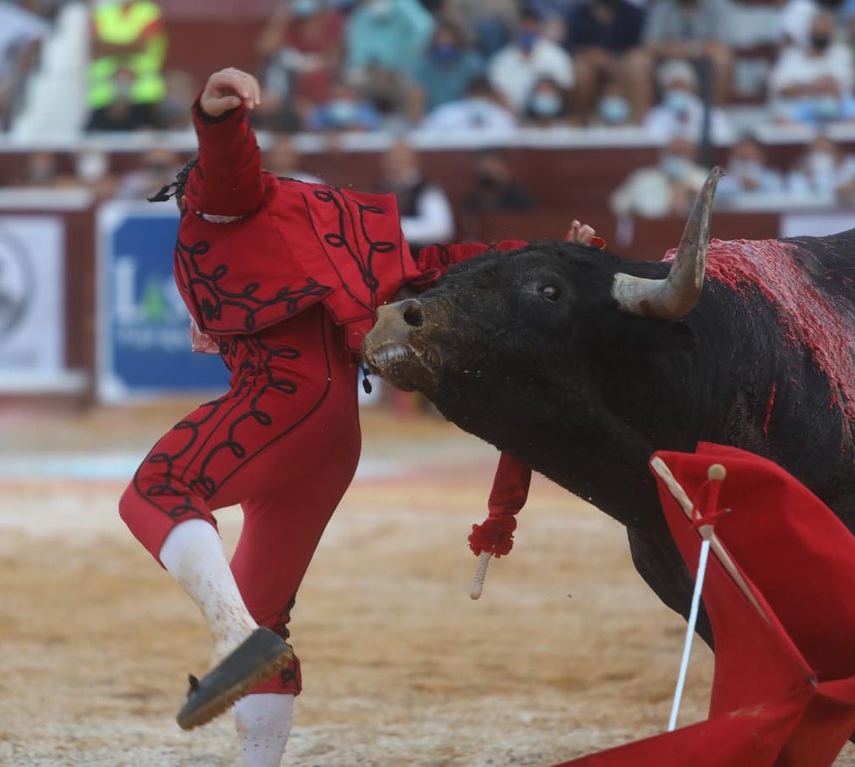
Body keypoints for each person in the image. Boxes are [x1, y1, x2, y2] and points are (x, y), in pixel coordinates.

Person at [120, 65, 598, 767]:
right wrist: (552, 258)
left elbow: (228, 175)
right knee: (266, 616)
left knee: (157, 491)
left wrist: (218, 120)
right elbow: (449, 268)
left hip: (282, 404)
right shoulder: (338, 237)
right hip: (334, 435)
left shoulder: (221, 205)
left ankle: (232, 634)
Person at [84, 0, 166, 132]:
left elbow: (141, 45)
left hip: (142, 94)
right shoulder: (101, 13)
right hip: (104, 95)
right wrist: (129, 47)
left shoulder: (149, 12)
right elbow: (96, 46)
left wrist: (109, 48)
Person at [609, 134, 710, 218]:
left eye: (682, 153)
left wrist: (694, 196)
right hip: (648, 230)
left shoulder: (704, 179)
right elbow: (618, 204)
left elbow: (716, 210)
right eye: (673, 153)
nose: (677, 158)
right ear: (663, 155)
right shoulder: (643, 178)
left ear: (693, 155)